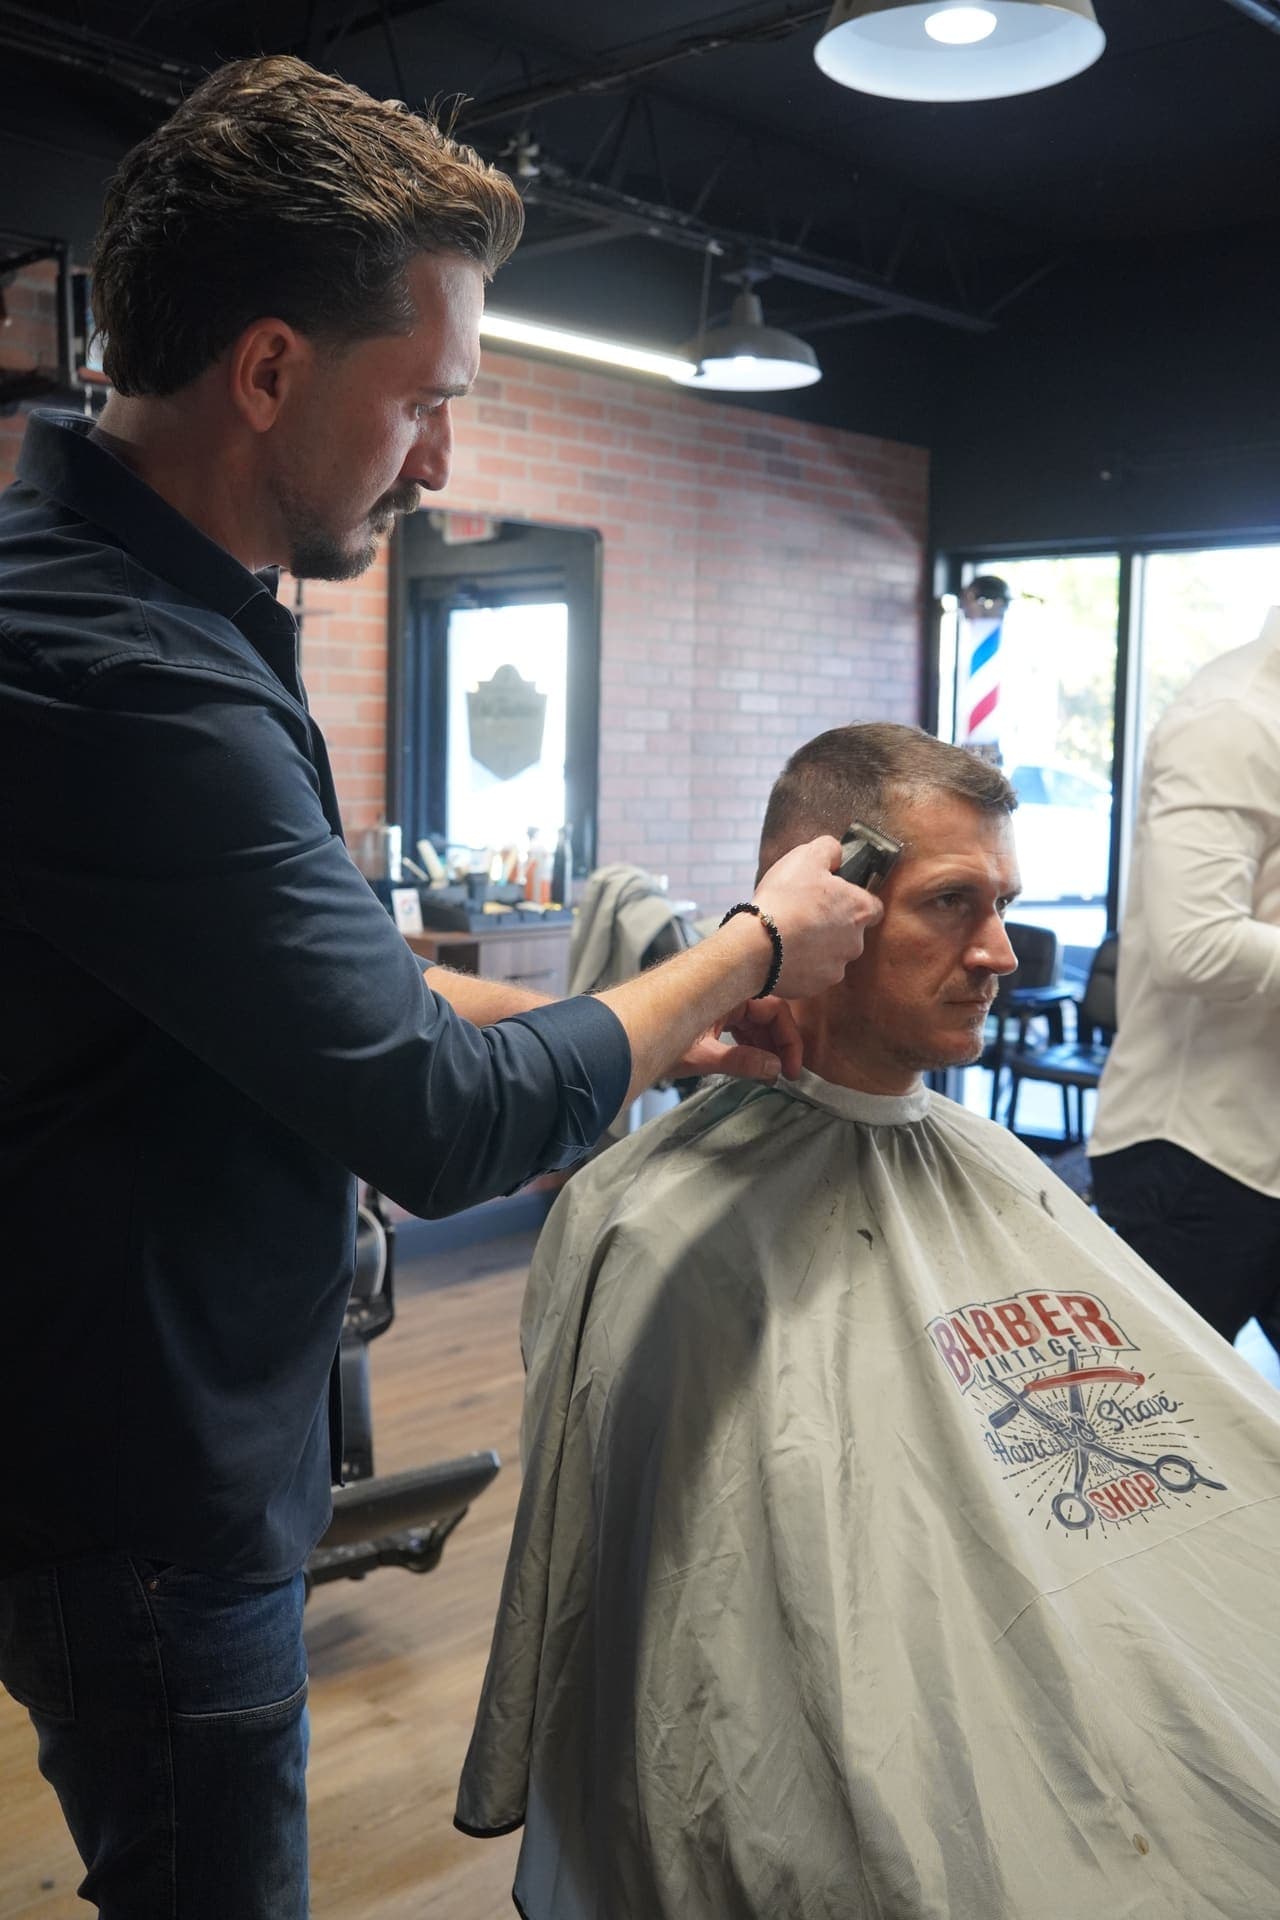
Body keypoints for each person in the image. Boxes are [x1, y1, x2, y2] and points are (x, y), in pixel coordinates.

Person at [0, 57, 881, 1920]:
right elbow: (439, 1115)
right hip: (140, 1493)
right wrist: (756, 942)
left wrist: (663, 1029)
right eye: (429, 401)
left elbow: (359, 990)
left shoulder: (165, 615)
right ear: (265, 374)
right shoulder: (123, 677)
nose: (443, 463)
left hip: (146, 1427)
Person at [457, 722, 1280, 1920]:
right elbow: (693, 1645)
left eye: (1003, 905)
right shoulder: (650, 1222)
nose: (1000, 953)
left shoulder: (1005, 1174)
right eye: (952, 905)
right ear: (828, 908)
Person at [1089, 607, 1280, 1355]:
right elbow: (1194, 945)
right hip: (1199, 1156)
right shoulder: (1236, 720)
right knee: (1146, 1442)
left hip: (1257, 1148)